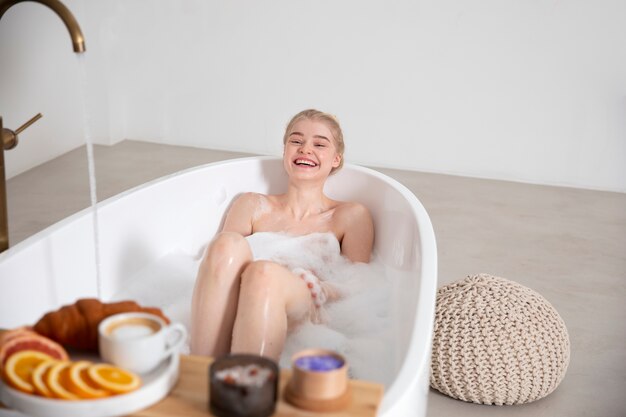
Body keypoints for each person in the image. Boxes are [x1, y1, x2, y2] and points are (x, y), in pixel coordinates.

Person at [190, 109, 374, 360]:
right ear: (285, 151)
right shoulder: (251, 205)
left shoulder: (350, 215)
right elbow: (218, 271)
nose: (305, 149)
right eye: (296, 141)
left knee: (263, 273)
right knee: (225, 243)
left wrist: (323, 289)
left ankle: (247, 389)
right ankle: (199, 368)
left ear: (336, 160)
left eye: (319, 144)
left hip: (304, 308)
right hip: (241, 308)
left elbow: (360, 284)